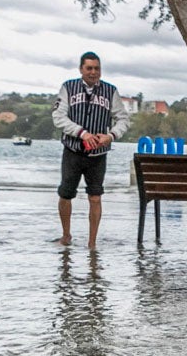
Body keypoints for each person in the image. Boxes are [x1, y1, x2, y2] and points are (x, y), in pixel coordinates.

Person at [52, 51, 130, 247]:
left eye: (97, 68)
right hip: (72, 150)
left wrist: (111, 136)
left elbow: (123, 119)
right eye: (89, 68)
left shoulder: (110, 91)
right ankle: (66, 235)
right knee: (65, 194)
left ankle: (92, 242)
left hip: (98, 154)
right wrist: (81, 133)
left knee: (95, 197)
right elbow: (58, 117)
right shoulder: (68, 88)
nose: (93, 72)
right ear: (81, 69)